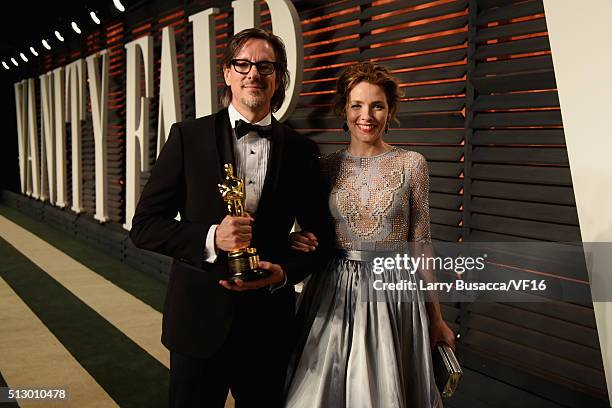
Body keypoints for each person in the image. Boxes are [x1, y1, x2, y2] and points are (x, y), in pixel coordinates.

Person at [129, 28, 330, 408]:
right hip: (197, 323)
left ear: (279, 77)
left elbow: (322, 236)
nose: (253, 73)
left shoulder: (302, 150)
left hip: (268, 327)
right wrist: (210, 238)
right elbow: (145, 227)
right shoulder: (188, 136)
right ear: (227, 73)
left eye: (265, 66)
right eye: (243, 64)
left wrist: (285, 271)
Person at [284, 62, 456, 408]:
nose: (367, 115)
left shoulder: (412, 164)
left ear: (390, 110)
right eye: (357, 105)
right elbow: (310, 230)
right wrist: (292, 240)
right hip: (333, 291)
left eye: (377, 105)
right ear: (343, 110)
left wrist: (435, 318)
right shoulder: (324, 166)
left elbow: (421, 246)